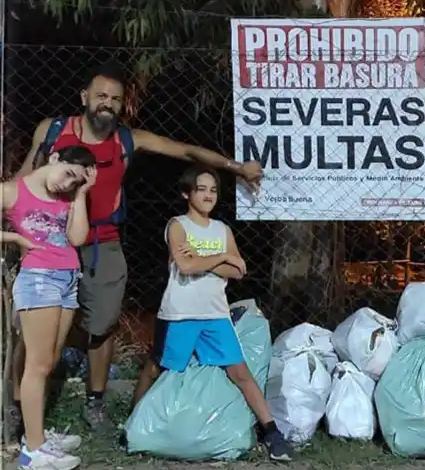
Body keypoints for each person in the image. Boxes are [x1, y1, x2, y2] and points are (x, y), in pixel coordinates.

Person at [8, 63, 264, 438]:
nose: (106, 104)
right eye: (100, 96)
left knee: (104, 323)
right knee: (32, 330)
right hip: (49, 240)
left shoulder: (129, 140)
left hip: (103, 240)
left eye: (115, 99)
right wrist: (12, 229)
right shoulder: (52, 130)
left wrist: (237, 167)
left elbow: (187, 152)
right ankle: (17, 407)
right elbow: (23, 178)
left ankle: (95, 401)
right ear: (84, 98)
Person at [139, 166, 293, 462]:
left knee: (241, 373)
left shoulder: (222, 230)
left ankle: (272, 433)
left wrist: (200, 259)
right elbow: (185, 268)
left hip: (215, 314)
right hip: (179, 314)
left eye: (213, 190)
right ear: (187, 193)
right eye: (201, 189)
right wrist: (222, 256)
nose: (209, 195)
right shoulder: (178, 225)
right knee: (157, 369)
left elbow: (239, 270)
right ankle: (135, 424)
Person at [1, 146, 97, 470]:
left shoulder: (68, 198)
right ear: (54, 157)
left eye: (76, 181)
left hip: (68, 279)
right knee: (38, 365)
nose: (67, 183)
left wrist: (81, 193)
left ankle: (35, 434)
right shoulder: (12, 191)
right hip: (39, 279)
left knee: (50, 360)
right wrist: (13, 238)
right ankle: (34, 452)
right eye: (69, 173)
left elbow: (78, 238)